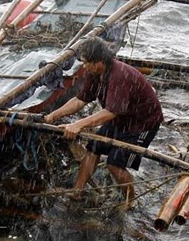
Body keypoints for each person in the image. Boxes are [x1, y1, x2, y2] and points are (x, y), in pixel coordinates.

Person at [42, 37, 163, 211]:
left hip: (141, 123)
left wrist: (79, 125)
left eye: (85, 62)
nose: (83, 66)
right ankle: (77, 191)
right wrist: (52, 116)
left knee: (114, 163)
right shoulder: (94, 73)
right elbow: (80, 100)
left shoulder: (119, 75)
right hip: (119, 118)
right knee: (93, 149)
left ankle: (130, 200)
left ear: (98, 61)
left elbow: (110, 111)